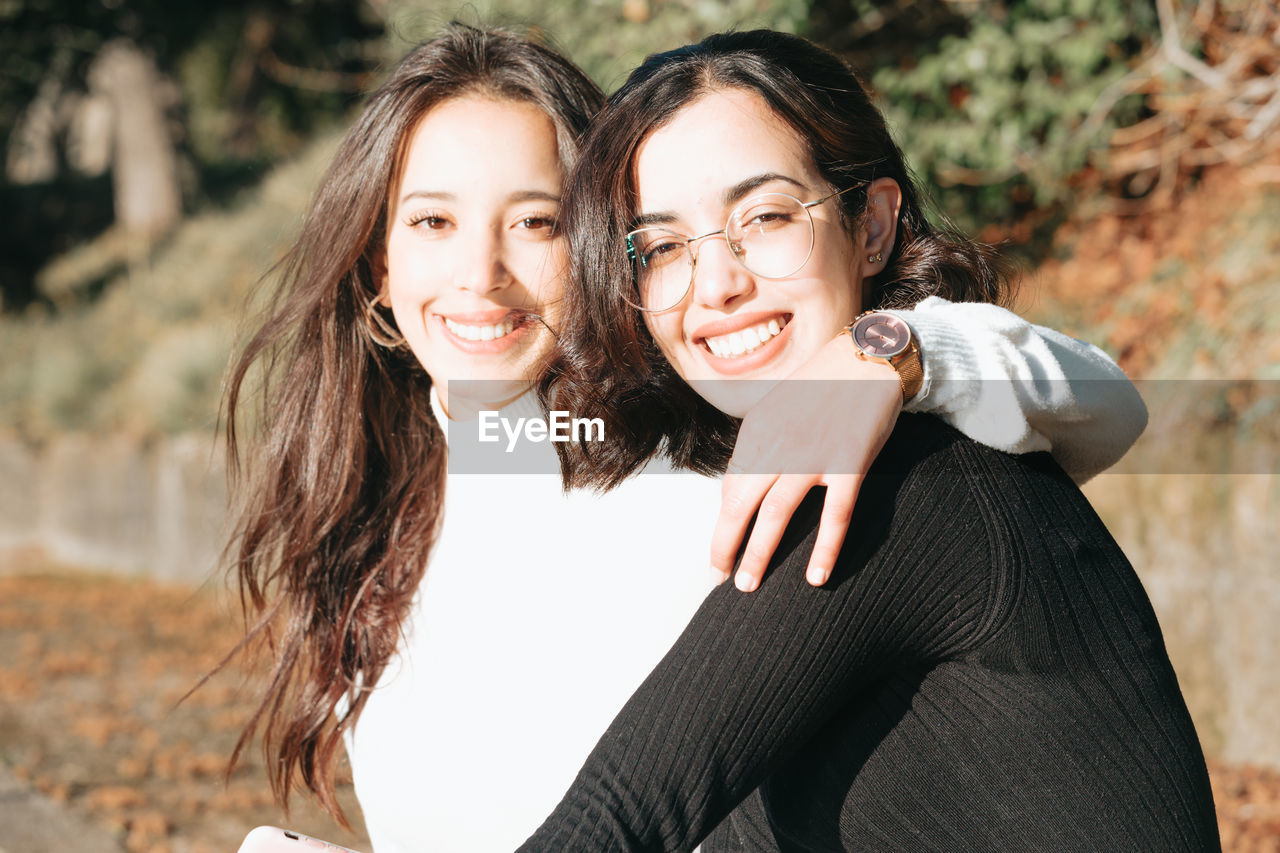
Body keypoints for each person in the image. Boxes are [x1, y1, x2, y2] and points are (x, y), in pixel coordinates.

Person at [221, 25, 1152, 852]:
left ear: (594, 246)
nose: (479, 273)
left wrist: (898, 350)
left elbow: (1101, 403)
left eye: (537, 222)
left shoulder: (706, 454)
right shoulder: (388, 514)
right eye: (432, 221)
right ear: (379, 264)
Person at [519, 29, 1219, 852]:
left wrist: (891, 352)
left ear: (873, 225)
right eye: (665, 246)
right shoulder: (813, 480)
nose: (717, 283)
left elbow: (618, 818)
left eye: (767, 216)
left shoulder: (910, 481)